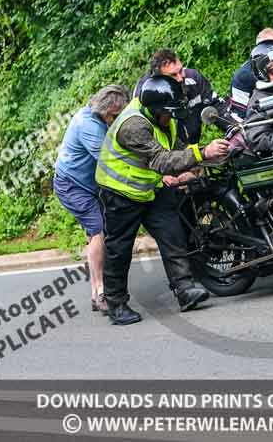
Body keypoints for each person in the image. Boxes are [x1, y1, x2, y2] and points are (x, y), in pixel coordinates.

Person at [96, 75, 231, 325]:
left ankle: (185, 289)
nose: (172, 118)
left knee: (173, 233)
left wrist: (202, 161)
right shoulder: (133, 126)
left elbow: (176, 148)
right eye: (168, 113)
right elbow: (161, 161)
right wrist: (203, 152)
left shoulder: (163, 116)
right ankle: (116, 303)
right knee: (119, 249)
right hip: (120, 192)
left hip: (151, 187)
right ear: (155, 109)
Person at [53, 85, 130, 315]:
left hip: (87, 184)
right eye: (115, 116)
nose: (117, 120)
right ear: (105, 111)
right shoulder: (89, 126)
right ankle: (100, 292)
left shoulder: (98, 117)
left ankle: (95, 293)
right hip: (72, 186)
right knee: (98, 231)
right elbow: (110, 162)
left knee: (94, 234)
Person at [134, 49, 232, 145]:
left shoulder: (193, 79)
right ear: (159, 80)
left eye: (181, 70)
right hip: (161, 152)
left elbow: (216, 106)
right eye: (173, 75)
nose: (180, 78)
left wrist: (234, 129)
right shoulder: (147, 95)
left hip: (191, 147)